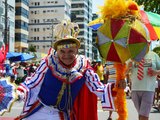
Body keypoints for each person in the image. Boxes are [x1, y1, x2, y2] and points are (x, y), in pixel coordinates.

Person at [15, 20, 125, 120]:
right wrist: (19, 93)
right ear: (57, 51)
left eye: (70, 51)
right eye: (62, 51)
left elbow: (97, 87)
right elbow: (32, 83)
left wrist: (116, 87)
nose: (66, 55)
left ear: (77, 50)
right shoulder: (49, 62)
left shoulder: (84, 66)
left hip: (62, 115)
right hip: (40, 110)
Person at [127, 50, 160, 120]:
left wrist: (155, 72)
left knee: (144, 116)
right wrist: (127, 68)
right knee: (141, 115)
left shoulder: (154, 55)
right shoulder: (132, 56)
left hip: (148, 89)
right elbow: (123, 73)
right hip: (135, 90)